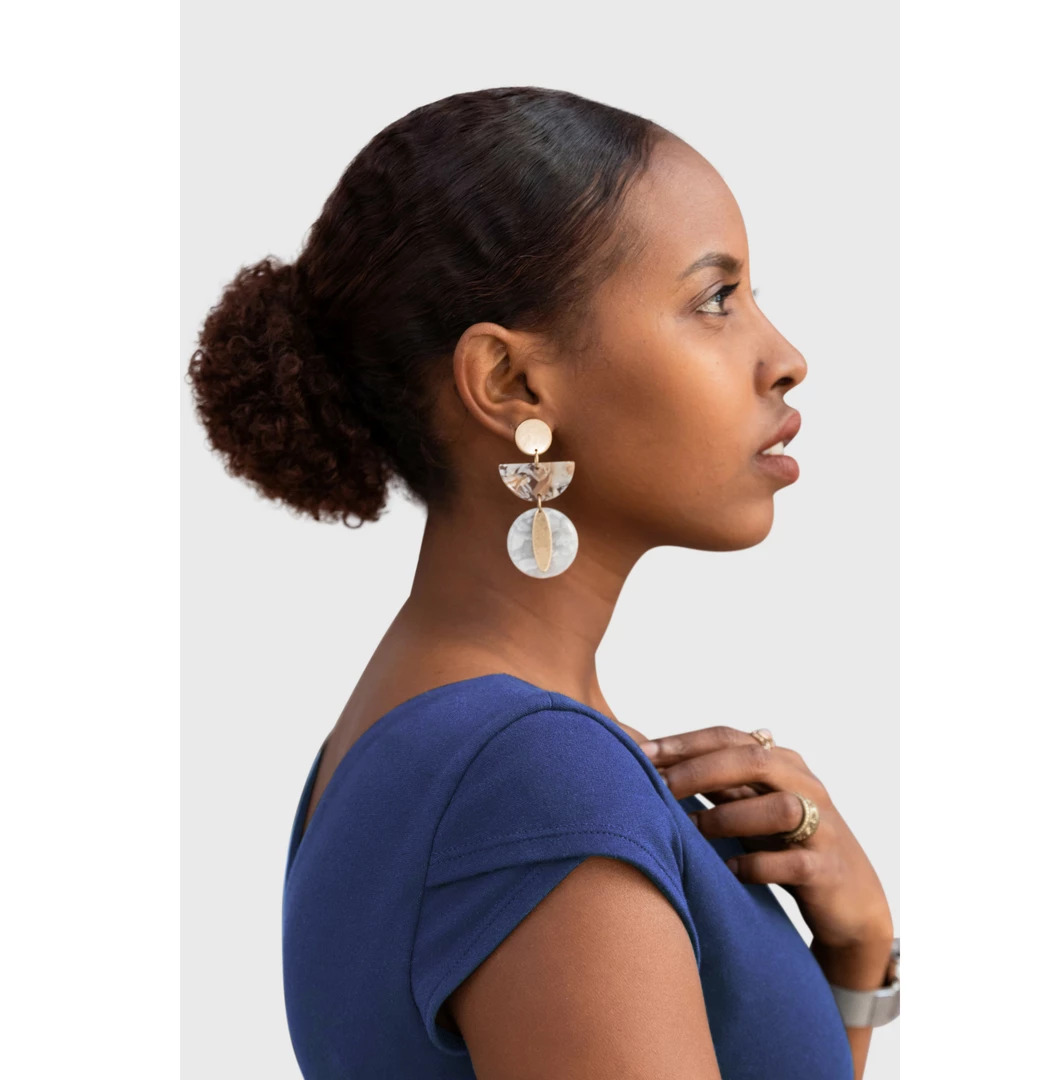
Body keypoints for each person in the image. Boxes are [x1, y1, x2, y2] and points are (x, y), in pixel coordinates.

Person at [187, 85, 895, 1080]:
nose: (785, 359)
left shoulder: (426, 737)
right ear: (512, 384)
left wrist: (857, 965)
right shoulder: (530, 776)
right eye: (715, 300)